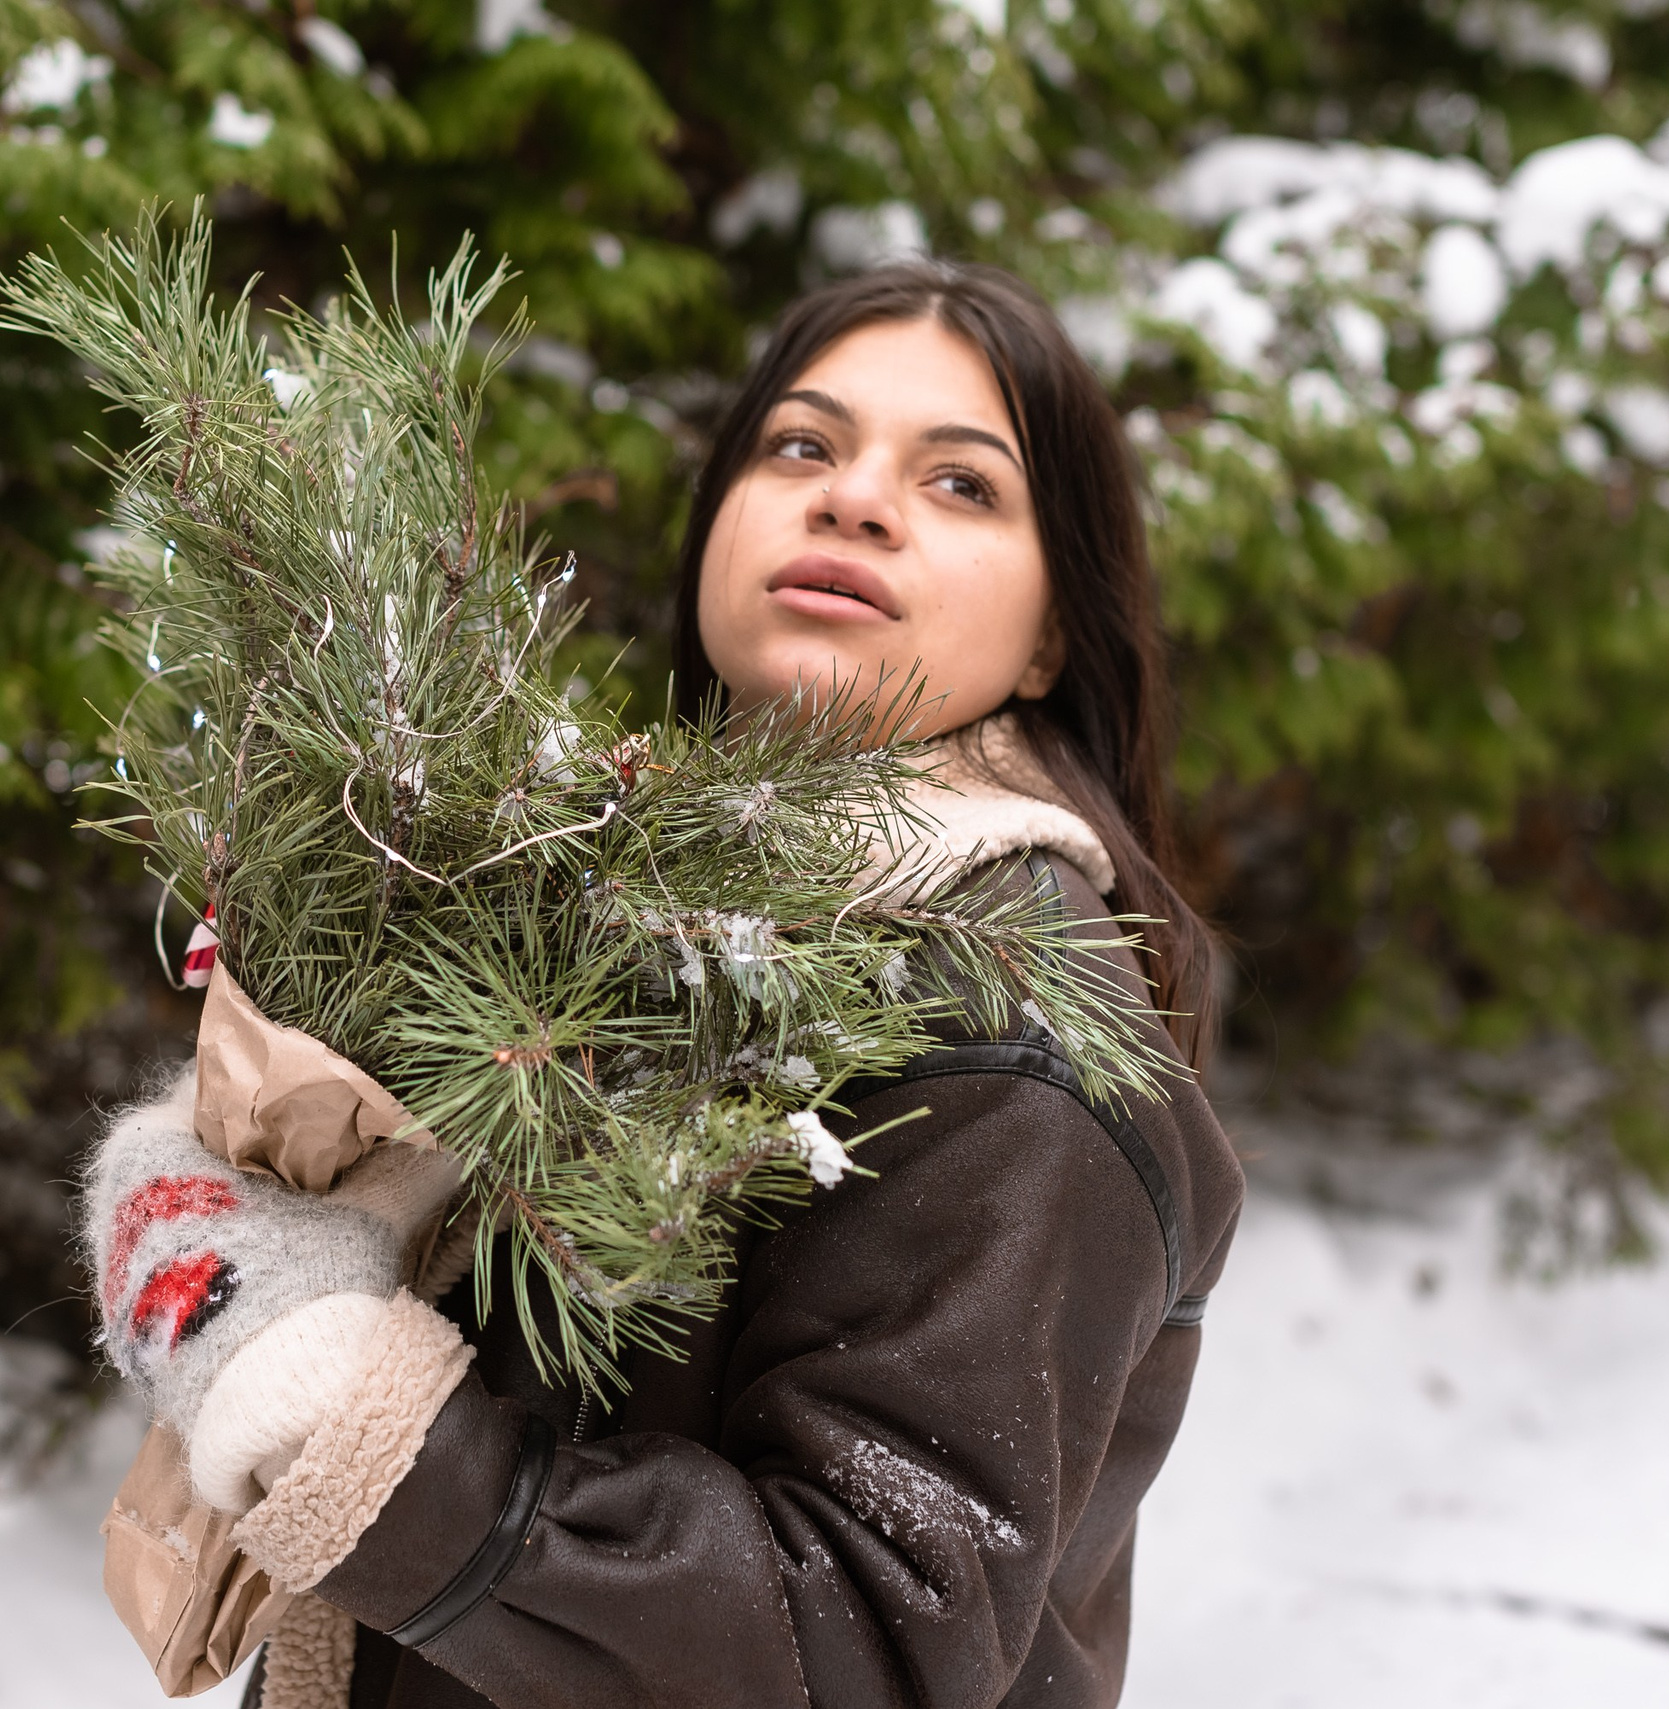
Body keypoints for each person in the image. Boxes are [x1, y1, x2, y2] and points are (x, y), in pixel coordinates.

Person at [85, 260, 1244, 1709]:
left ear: (1054, 634)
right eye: (802, 446)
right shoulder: (619, 917)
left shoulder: (1012, 1038)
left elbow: (859, 1649)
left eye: (960, 484)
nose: (855, 498)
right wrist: (274, 1218)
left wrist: (349, 1421)